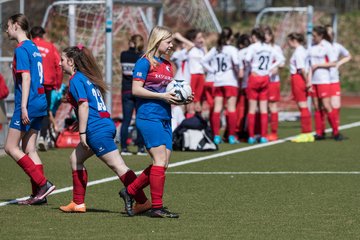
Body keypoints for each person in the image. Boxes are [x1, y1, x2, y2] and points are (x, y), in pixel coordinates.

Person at [59, 45, 150, 213]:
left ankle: (142, 201)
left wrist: (83, 133)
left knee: (119, 166)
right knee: (75, 159)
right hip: (103, 124)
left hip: (96, 129)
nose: (60, 63)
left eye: (62, 60)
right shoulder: (85, 78)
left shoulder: (76, 80)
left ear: (71, 62)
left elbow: (84, 105)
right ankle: (78, 203)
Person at [120, 26, 193, 218]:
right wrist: (162, 96)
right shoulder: (144, 62)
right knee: (159, 161)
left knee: (163, 163)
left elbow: (171, 91)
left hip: (165, 118)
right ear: (158, 41)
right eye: (168, 42)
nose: (171, 46)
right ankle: (156, 207)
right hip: (148, 116)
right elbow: (136, 90)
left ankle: (130, 191)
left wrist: (183, 97)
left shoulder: (168, 66)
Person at [3, 13, 56, 205]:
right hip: (40, 101)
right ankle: (38, 195)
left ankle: (43, 184)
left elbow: (26, 78)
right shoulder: (34, 47)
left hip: (29, 103)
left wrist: (23, 106)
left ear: (16, 25)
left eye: (8, 26)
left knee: (10, 147)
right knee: (30, 148)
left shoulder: (22, 48)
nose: (6, 30)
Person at [201, 27, 240, 144]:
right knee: (231, 108)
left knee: (217, 108)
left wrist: (212, 70)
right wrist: (238, 73)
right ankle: (231, 136)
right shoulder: (232, 49)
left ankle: (216, 136)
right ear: (230, 37)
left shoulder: (215, 49)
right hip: (230, 81)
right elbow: (237, 63)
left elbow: (203, 61)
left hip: (218, 81)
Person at [245, 27, 283, 144]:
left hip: (255, 77)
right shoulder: (269, 48)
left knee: (252, 108)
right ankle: (263, 136)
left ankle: (251, 136)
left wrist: (253, 67)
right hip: (265, 78)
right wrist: (269, 68)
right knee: (263, 108)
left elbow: (247, 59)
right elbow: (281, 59)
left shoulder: (253, 47)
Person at [30, 26, 63, 151]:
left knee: (29, 110)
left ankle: (27, 139)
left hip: (31, 84)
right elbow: (59, 65)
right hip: (47, 84)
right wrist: (58, 84)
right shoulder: (50, 47)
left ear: (31, 35)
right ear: (42, 35)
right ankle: (42, 137)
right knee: (45, 111)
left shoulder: (28, 46)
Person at [308, 26, 340, 141]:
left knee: (326, 105)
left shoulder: (327, 46)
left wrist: (319, 65)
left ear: (321, 36)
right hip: (314, 81)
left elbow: (333, 63)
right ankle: (319, 132)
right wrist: (309, 81)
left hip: (324, 80)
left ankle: (336, 132)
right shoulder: (311, 46)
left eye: (315, 36)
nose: (313, 38)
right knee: (316, 107)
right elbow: (309, 65)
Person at [119, 34, 147, 156]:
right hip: (139, 90)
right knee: (140, 119)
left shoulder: (124, 55)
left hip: (126, 91)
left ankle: (124, 148)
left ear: (131, 43)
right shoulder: (142, 57)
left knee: (126, 120)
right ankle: (140, 147)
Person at [287, 33, 314, 143]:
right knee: (304, 106)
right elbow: (310, 67)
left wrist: (307, 81)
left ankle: (305, 133)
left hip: (298, 78)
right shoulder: (304, 50)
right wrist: (309, 80)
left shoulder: (298, 52)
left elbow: (301, 69)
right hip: (303, 78)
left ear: (294, 40)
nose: (288, 43)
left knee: (302, 106)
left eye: (289, 41)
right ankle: (308, 134)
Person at [326, 25, 352, 131]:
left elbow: (348, 55)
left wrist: (339, 63)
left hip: (334, 80)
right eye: (329, 33)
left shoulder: (337, 46)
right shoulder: (319, 47)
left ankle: (335, 130)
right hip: (322, 80)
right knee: (325, 107)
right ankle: (322, 131)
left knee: (336, 105)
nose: (331, 35)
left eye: (332, 33)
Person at [264, 26, 285, 141]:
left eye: (267, 35)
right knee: (263, 107)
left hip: (272, 82)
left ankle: (273, 132)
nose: (265, 37)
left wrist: (277, 67)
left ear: (271, 36)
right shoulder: (259, 48)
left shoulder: (276, 48)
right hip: (261, 81)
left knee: (272, 106)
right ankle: (263, 131)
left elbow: (282, 63)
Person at [186, 28, 206, 117]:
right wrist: (193, 43)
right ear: (193, 40)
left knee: (199, 100)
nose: (201, 40)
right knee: (191, 100)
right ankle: (189, 119)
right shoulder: (190, 48)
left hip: (201, 75)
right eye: (199, 37)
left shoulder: (202, 49)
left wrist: (204, 47)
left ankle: (198, 121)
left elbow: (207, 59)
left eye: (202, 37)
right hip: (192, 75)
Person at [236, 33, 251, 140]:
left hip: (241, 84)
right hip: (254, 82)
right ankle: (252, 132)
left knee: (240, 109)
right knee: (253, 109)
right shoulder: (254, 50)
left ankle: (237, 132)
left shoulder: (239, 53)